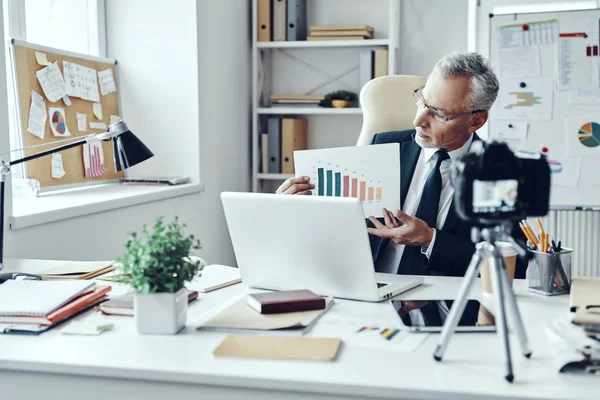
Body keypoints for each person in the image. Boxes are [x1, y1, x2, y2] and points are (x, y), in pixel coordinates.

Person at [276, 52, 527, 314]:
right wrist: (294, 210)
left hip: (446, 315)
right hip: (368, 303)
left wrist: (431, 239)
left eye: (439, 114)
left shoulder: (495, 173)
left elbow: (514, 267)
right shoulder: (383, 146)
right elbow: (339, 231)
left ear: (475, 121)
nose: (418, 120)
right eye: (421, 102)